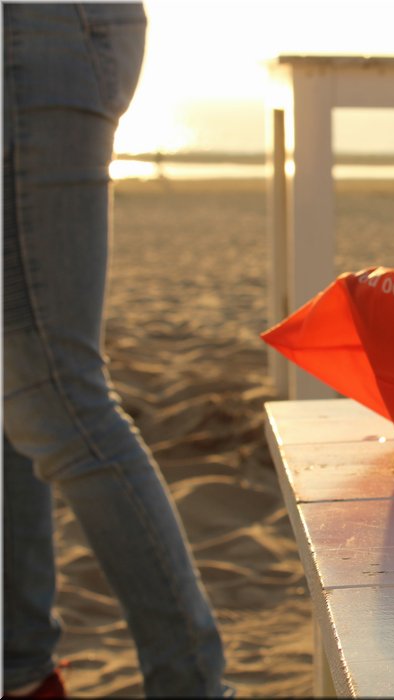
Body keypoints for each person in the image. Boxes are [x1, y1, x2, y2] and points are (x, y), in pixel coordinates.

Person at [3, 3, 228, 696]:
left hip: (33, 34)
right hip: (41, 36)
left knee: (56, 394)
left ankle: (190, 686)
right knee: (18, 384)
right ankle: (21, 673)